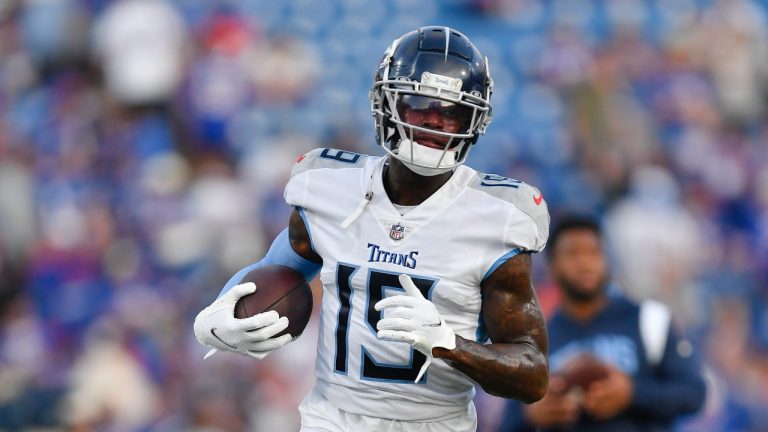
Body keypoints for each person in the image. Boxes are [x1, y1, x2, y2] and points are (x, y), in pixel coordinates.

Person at [194, 26, 551, 431]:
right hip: (331, 420)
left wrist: (450, 345)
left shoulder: (498, 217)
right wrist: (218, 311)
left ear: (473, 120)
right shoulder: (329, 188)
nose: (435, 121)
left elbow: (533, 374)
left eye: (451, 112)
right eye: (420, 105)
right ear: (389, 103)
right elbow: (279, 268)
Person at [499, 215, 706, 432]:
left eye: (593, 252)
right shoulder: (536, 342)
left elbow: (693, 393)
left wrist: (632, 394)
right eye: (573, 254)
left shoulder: (648, 320)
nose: (586, 263)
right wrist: (532, 416)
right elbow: (507, 423)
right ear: (552, 266)